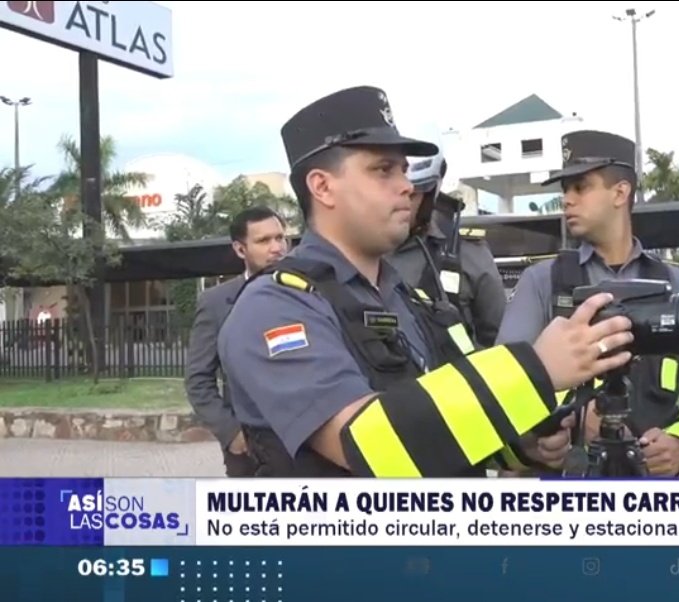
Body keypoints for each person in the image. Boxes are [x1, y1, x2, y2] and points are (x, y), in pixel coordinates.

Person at [216, 86, 635, 478]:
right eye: (383, 170)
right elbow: (366, 444)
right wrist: (536, 369)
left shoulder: (415, 300)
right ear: (323, 187)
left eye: (403, 170)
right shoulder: (275, 307)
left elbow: (451, 420)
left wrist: (521, 445)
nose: (406, 186)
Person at [496, 130, 679, 477]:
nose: (567, 200)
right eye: (565, 190)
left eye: (581, 187)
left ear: (621, 192)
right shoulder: (543, 281)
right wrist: (552, 430)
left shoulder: (675, 284)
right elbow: (504, 379)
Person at [184, 206, 288, 477]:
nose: (277, 247)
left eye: (280, 238)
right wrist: (232, 435)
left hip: (309, 442)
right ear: (240, 250)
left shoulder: (309, 293)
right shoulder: (217, 302)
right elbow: (198, 379)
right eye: (264, 241)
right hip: (252, 450)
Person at [387, 151, 506, 348]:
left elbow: (500, 342)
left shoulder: (465, 253)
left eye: (411, 194)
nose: (398, 202)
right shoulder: (348, 251)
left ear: (428, 195)